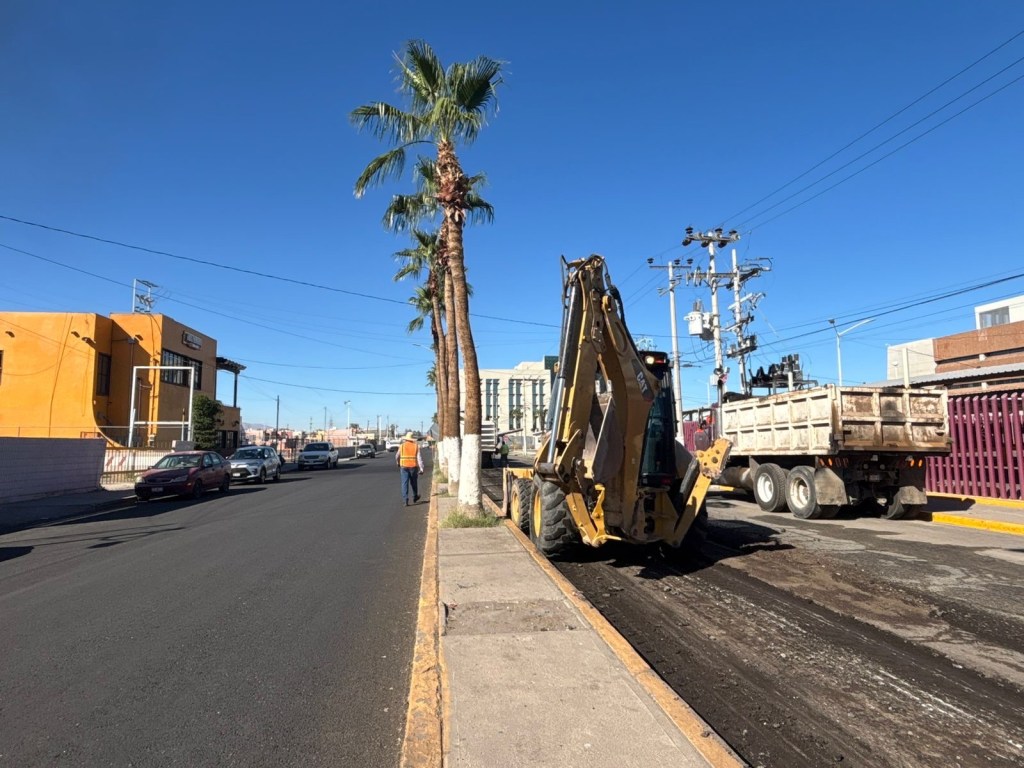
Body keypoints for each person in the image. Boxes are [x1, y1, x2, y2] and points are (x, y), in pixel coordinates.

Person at [396, 432, 424, 505]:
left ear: (406, 439)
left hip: (404, 466)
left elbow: (397, 456)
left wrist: (398, 463)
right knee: (414, 482)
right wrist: (421, 468)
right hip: (413, 467)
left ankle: (405, 500)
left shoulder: (402, 446)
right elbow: (419, 458)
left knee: (404, 483)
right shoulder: (416, 446)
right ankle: (415, 496)